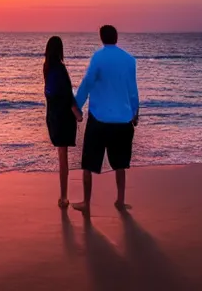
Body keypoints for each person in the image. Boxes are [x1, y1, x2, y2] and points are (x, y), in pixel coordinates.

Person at [72, 25, 140, 213]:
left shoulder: (98, 58)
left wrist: (77, 105)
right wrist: (136, 112)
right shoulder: (129, 60)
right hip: (123, 120)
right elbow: (133, 91)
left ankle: (86, 203)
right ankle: (120, 200)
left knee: (88, 163)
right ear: (116, 37)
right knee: (120, 164)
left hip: (99, 119)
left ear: (102, 38)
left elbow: (87, 83)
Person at [43, 36, 84, 208]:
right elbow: (67, 94)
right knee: (63, 159)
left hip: (53, 116)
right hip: (63, 117)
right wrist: (78, 113)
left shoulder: (47, 68)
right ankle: (64, 196)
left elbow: (52, 94)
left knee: (62, 156)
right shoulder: (59, 69)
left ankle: (63, 196)